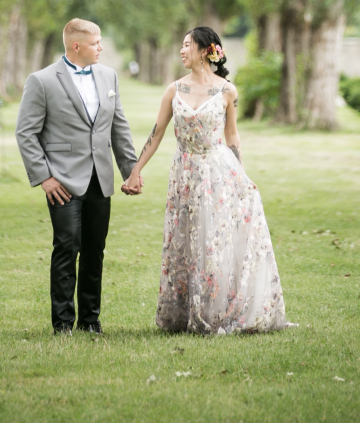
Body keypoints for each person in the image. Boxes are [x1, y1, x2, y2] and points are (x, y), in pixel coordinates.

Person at [121, 26, 292, 334]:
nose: (182, 50)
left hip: (218, 172)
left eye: (187, 45)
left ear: (204, 50)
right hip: (184, 173)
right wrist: (136, 171)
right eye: (182, 45)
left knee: (215, 241)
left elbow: (232, 135)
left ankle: (217, 311)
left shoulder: (227, 91)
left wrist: (241, 176)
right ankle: (186, 312)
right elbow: (156, 134)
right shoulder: (174, 90)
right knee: (186, 241)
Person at [15, 18, 142, 335]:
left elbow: (119, 128)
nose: (101, 47)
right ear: (76, 46)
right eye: (96, 42)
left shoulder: (108, 76)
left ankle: (90, 320)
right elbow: (26, 133)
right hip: (62, 182)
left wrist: (131, 171)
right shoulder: (41, 81)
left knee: (94, 250)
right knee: (66, 247)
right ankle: (62, 324)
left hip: (101, 178)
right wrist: (44, 176)